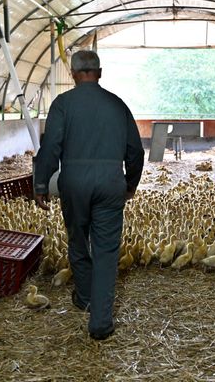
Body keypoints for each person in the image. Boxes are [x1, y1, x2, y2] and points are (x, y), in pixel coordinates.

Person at [34, 50, 144, 340]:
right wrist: (130, 184)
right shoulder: (117, 105)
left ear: (72, 74)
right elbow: (135, 151)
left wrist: (41, 184)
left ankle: (84, 298)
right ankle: (100, 323)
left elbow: (49, 149)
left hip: (74, 183)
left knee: (78, 240)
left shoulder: (63, 104)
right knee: (107, 252)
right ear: (100, 72)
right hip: (110, 184)